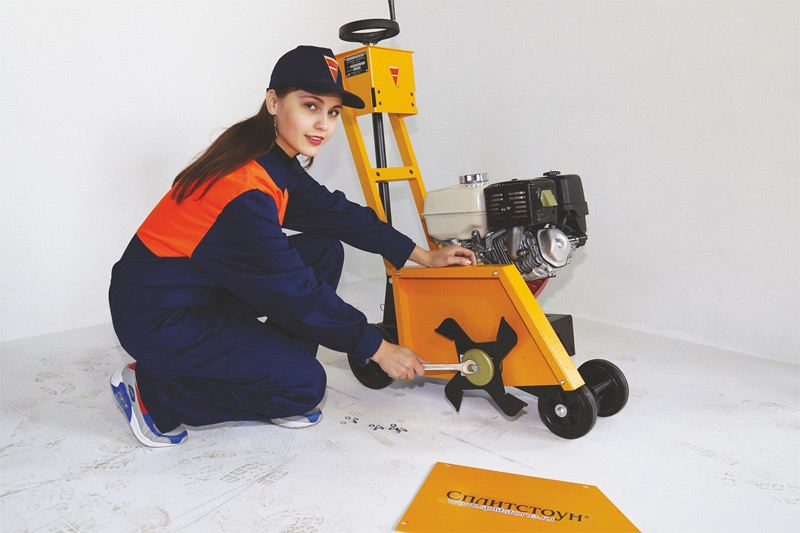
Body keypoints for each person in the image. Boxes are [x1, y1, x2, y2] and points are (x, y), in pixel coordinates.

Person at [108, 45, 475, 448]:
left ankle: (275, 368)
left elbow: (336, 213)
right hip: (160, 317)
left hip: (200, 292)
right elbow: (295, 291)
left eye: (333, 112)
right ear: (273, 102)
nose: (323, 124)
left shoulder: (269, 158)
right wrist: (378, 348)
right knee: (305, 387)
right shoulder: (242, 191)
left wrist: (422, 255)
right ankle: (154, 395)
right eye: (310, 106)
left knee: (323, 249)